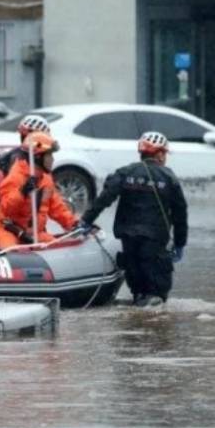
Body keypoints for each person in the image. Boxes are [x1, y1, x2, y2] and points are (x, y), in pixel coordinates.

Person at [78, 131, 188, 307]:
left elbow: (104, 200)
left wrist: (86, 220)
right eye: (165, 154)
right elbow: (180, 213)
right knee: (157, 296)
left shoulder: (124, 173)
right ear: (160, 154)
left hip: (128, 239)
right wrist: (180, 243)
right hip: (155, 242)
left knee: (138, 291)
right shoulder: (168, 177)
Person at [0, 131, 79, 249]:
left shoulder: (46, 179)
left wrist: (74, 224)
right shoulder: (16, 177)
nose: (52, 159)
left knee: (57, 248)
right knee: (11, 250)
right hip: (8, 230)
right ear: (38, 157)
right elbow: (6, 210)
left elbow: (58, 208)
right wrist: (22, 192)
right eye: (49, 155)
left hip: (33, 234)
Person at [0, 114, 50, 215]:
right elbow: (3, 195)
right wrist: (24, 190)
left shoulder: (39, 160)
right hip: (9, 213)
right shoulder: (14, 159)